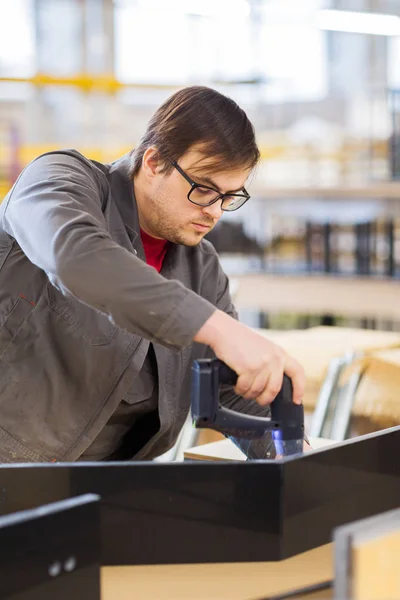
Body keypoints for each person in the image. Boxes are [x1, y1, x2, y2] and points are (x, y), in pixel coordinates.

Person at [0, 86, 306, 463]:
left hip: (113, 487)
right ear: (154, 162)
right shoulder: (58, 181)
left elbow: (227, 388)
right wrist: (217, 326)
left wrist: (290, 455)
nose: (215, 212)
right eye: (204, 189)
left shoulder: (201, 268)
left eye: (230, 197)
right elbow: (75, 256)